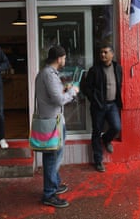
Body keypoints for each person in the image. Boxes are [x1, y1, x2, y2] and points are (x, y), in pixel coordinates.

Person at [35, 45, 79, 208]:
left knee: (53, 156)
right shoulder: (49, 75)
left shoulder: (47, 73)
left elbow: (54, 95)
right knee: (52, 158)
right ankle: (49, 193)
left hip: (52, 120)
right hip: (53, 122)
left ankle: (55, 183)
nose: (65, 60)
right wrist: (73, 91)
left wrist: (64, 89)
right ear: (59, 58)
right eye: (65, 58)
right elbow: (58, 100)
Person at [83, 45, 123, 173]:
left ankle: (106, 139)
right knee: (96, 131)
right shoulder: (94, 70)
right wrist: (95, 100)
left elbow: (119, 84)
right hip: (98, 106)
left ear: (112, 54)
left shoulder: (118, 68)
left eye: (106, 52)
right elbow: (86, 88)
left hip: (112, 105)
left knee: (116, 127)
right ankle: (98, 161)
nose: (103, 55)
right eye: (101, 52)